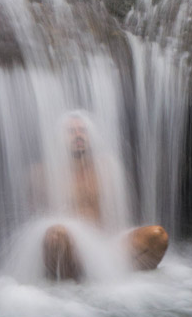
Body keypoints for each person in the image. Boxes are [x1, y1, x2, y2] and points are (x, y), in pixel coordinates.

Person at [41, 113, 168, 281]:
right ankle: (73, 288)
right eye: (71, 131)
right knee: (56, 235)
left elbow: (121, 213)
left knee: (158, 236)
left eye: (82, 130)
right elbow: (41, 220)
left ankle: (118, 280)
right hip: (70, 250)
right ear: (60, 138)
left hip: (107, 246)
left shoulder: (107, 168)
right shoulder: (48, 175)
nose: (78, 135)